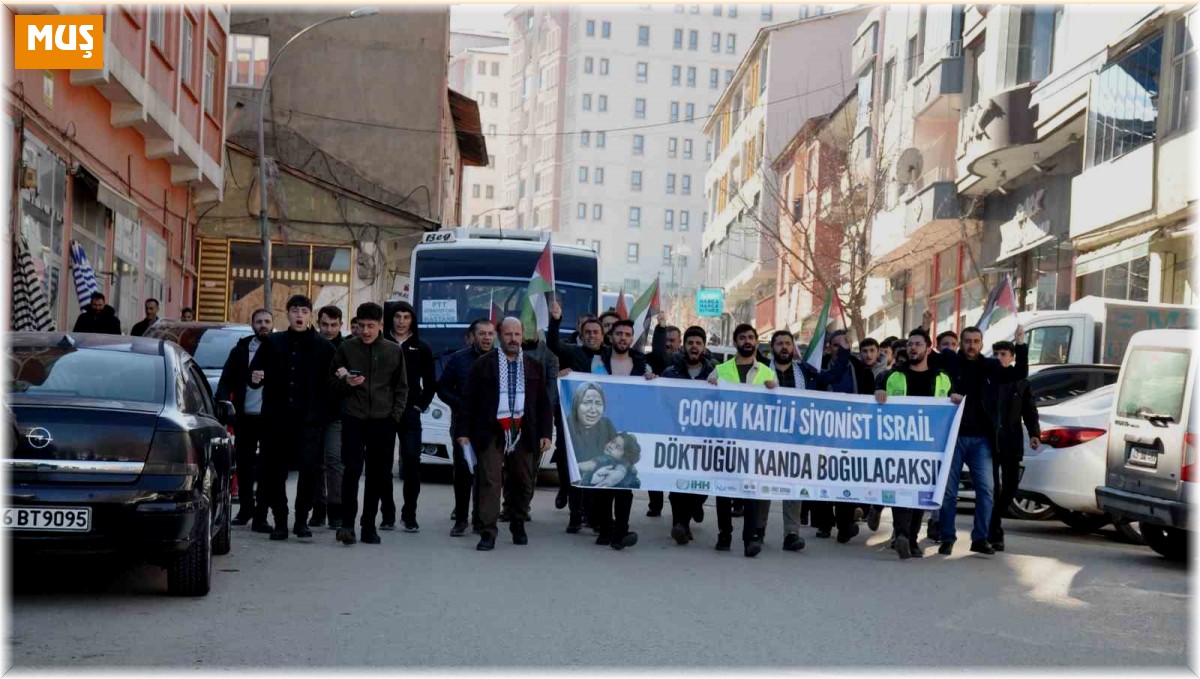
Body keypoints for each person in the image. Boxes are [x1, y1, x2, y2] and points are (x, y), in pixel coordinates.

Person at [454, 317, 553, 551]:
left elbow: (543, 404)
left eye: (517, 335)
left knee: (523, 481)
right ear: (500, 336)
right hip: (491, 431)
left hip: (523, 432)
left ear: (522, 336)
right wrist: (463, 431)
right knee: (490, 480)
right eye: (508, 335)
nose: (513, 339)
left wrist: (546, 433)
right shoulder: (483, 365)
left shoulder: (533, 365)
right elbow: (468, 399)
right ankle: (488, 531)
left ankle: (517, 521)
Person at [932, 321, 1027, 557]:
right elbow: (922, 365)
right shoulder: (950, 361)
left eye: (975, 342)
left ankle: (980, 538)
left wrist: (1021, 343)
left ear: (981, 344)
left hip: (982, 440)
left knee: (986, 491)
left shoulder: (992, 367)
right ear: (960, 343)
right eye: (967, 342)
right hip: (953, 437)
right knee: (949, 492)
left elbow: (1020, 373)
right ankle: (947, 537)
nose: (971, 346)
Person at [247, 295, 336, 541]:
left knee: (309, 471)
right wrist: (255, 378)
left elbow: (332, 386)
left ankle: (301, 521)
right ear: (287, 314)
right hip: (276, 421)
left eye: (304, 311)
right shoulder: (273, 343)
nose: (299, 315)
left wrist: (320, 413)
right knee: (275, 472)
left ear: (310, 316)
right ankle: (280, 521)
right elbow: (254, 374)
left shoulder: (324, 347)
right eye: (295, 310)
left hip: (308, 422)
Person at [874, 328, 957, 560]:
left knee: (921, 493)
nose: (913, 348)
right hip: (899, 444)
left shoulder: (942, 378)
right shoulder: (893, 376)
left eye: (918, 344)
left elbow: (951, 403)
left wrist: (955, 399)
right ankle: (901, 535)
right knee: (901, 489)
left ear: (928, 349)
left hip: (930, 447)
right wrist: (878, 393)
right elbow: (877, 396)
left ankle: (911, 538)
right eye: (910, 344)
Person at [329, 302, 407, 546]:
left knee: (377, 475)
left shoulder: (393, 351)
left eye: (370, 326)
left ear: (381, 325)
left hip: (383, 422)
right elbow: (331, 383)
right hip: (353, 419)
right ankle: (347, 525)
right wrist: (346, 384)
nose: (365, 331)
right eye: (361, 326)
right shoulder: (346, 348)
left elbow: (401, 388)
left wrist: (394, 418)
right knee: (351, 471)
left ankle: (369, 526)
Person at [708, 323, 778, 557]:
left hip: (754, 442)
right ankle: (724, 534)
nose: (747, 341)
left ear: (757, 342)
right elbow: (706, 399)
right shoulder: (721, 369)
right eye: (742, 338)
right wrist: (711, 388)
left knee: (750, 490)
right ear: (736, 342)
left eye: (750, 337)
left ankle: (750, 539)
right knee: (723, 489)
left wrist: (774, 391)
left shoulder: (768, 373)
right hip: (725, 440)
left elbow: (776, 408)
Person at [437, 318, 496, 536]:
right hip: (463, 425)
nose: (487, 338)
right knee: (463, 472)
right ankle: (461, 519)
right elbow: (442, 387)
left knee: (487, 473)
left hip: (491, 426)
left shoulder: (501, 359)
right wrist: (460, 404)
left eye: (490, 334)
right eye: (482, 334)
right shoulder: (459, 359)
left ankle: (482, 518)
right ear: (473, 336)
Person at [217, 308, 273, 531]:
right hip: (245, 416)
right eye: (259, 321)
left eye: (267, 321)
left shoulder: (278, 348)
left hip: (270, 418)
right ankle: (246, 509)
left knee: (267, 468)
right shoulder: (241, 349)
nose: (263, 325)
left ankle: (262, 515)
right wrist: (223, 401)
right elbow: (225, 380)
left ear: (272, 324)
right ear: (252, 325)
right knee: (245, 465)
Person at [383, 301, 436, 532]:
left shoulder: (422, 347)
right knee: (383, 465)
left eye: (406, 316)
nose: (401, 321)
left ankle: (409, 514)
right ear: (391, 319)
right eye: (397, 316)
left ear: (412, 320)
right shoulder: (381, 342)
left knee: (412, 462)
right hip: (383, 412)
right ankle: (387, 514)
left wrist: (420, 405)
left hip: (410, 413)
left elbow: (432, 382)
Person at [661, 326, 716, 545]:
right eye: (690, 342)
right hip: (677, 437)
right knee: (677, 486)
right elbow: (661, 399)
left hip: (704, 439)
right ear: (684, 346)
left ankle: (693, 510)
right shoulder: (670, 372)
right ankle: (680, 525)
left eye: (698, 343)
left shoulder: (714, 373)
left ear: (704, 347)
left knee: (701, 485)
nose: (694, 346)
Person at [990, 340, 1040, 552]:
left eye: (1003, 354)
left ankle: (993, 521)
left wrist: (1034, 434)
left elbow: (1029, 411)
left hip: (1012, 440)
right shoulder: (989, 378)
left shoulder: (1021, 381)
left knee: (1011, 487)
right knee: (991, 488)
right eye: (996, 354)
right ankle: (994, 530)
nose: (999, 358)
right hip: (990, 441)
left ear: (1011, 357)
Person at [311, 305, 346, 530]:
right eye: (325, 324)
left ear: (340, 325)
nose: (329, 329)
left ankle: (336, 509)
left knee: (333, 460)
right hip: (313, 413)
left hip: (338, 414)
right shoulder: (312, 345)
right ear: (318, 323)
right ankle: (318, 509)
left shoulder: (348, 347)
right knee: (315, 463)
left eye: (334, 325)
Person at [644, 316, 683, 517]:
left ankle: (688, 507)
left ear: (679, 342)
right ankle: (655, 503)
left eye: (672, 340)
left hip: (680, 423)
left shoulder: (684, 361)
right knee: (655, 462)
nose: (668, 344)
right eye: (665, 339)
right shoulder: (650, 360)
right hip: (656, 419)